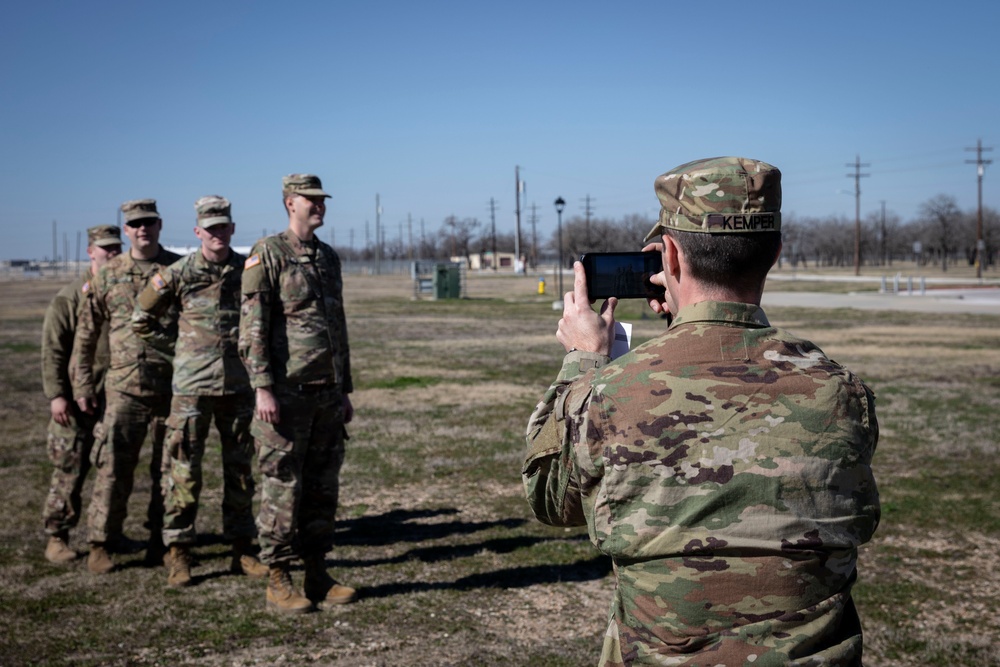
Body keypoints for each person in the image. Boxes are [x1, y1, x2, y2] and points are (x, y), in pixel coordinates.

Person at [523, 157, 881, 666]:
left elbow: (550, 498)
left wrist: (583, 364)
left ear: (668, 255)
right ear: (774, 253)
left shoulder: (609, 391)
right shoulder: (842, 393)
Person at [133, 195, 267, 587]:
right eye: (210, 229)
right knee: (183, 472)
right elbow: (141, 318)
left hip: (239, 387)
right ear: (197, 232)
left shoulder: (248, 270)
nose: (218, 234)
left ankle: (242, 549)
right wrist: (178, 350)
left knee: (240, 472)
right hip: (192, 388)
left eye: (224, 227)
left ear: (232, 229)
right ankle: (178, 553)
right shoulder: (178, 272)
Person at [239, 173, 356, 613]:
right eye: (311, 200)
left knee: (323, 487)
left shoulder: (327, 257)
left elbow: (337, 329)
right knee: (282, 487)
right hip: (285, 396)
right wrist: (262, 389)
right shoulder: (267, 254)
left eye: (322, 199)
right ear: (291, 202)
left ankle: (317, 572)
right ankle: (278, 578)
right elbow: (251, 330)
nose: (319, 205)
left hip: (326, 395)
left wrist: (344, 389)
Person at [73, 199, 182, 574]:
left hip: (171, 388)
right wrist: (83, 384)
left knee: (170, 471)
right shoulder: (109, 273)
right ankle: (101, 542)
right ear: (127, 229)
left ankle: (164, 541)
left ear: (159, 224)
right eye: (135, 224)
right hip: (123, 389)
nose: (142, 229)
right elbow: (86, 335)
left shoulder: (177, 268)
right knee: (113, 467)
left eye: (149, 222)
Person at [40, 225, 122, 562]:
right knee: (70, 467)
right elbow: (53, 349)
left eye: (116, 247)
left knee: (111, 468)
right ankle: (57, 535)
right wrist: (57, 394)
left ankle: (106, 535)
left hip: (113, 395)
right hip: (75, 399)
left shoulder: (122, 292)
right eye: (105, 248)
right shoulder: (71, 296)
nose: (112, 253)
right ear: (91, 251)